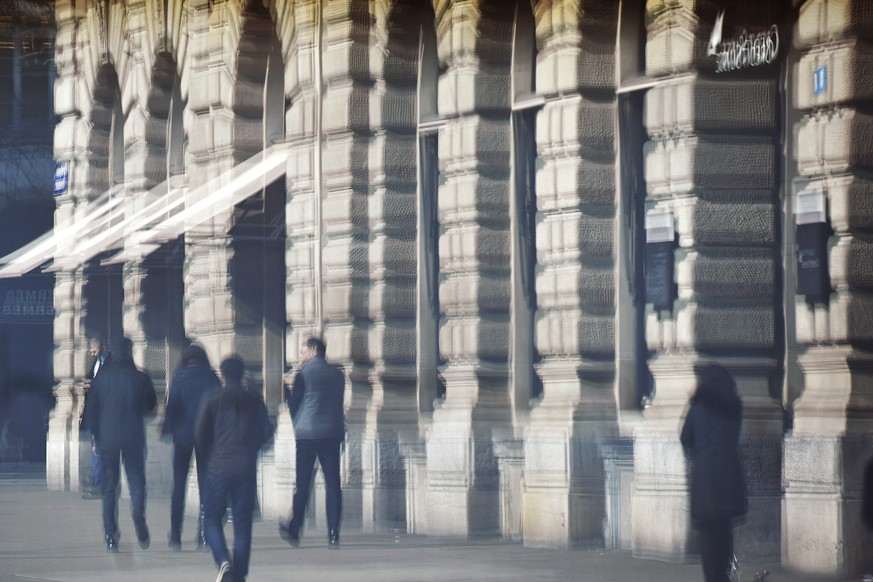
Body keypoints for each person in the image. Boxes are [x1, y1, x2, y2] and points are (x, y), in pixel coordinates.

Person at [196, 356, 274, 582]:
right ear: (241, 375)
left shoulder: (212, 399)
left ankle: (223, 562)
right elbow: (267, 433)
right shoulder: (254, 401)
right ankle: (239, 574)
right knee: (242, 523)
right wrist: (252, 449)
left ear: (222, 375)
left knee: (211, 519)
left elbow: (200, 435)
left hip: (218, 466)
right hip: (245, 467)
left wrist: (210, 455)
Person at [81, 336, 157, 553]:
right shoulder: (140, 378)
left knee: (109, 489)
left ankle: (110, 536)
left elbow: (92, 411)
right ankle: (138, 513)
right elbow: (150, 406)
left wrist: (95, 436)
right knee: (136, 481)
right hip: (133, 436)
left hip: (108, 437)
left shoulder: (101, 379)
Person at [680, 362, 747, 582]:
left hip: (706, 482)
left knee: (708, 540)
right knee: (725, 534)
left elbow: (685, 439)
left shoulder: (697, 409)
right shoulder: (734, 408)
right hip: (729, 479)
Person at [279, 337, 345, 549]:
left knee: (303, 484)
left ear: (314, 350)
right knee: (333, 484)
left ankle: (295, 529)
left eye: (303, 351)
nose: (301, 356)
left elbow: (295, 405)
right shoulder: (338, 375)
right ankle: (333, 533)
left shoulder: (303, 375)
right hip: (332, 433)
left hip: (307, 435)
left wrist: (289, 400)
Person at [162, 344, 221, 550]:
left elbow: (172, 408)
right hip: (207, 438)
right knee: (206, 486)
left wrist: (168, 429)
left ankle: (176, 534)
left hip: (183, 437)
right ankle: (204, 534)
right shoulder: (212, 378)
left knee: (179, 486)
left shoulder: (180, 379)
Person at [82, 333, 110, 499]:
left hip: (103, 414)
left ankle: (99, 484)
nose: (91, 352)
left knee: (98, 450)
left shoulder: (108, 362)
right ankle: (96, 482)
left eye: (93, 348)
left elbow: (104, 384)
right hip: (96, 413)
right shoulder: (96, 363)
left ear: (101, 346)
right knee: (96, 450)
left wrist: (93, 385)